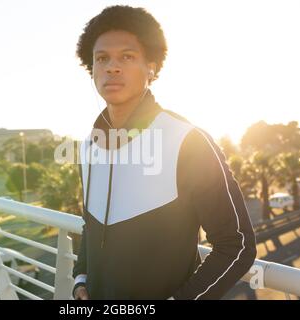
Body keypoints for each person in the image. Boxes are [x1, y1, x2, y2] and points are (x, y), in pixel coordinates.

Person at [72, 5, 257, 300]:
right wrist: (81, 278)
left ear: (152, 67)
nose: (112, 67)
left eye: (127, 57)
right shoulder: (89, 146)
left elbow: (236, 246)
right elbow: (90, 226)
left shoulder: (188, 140)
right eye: (102, 58)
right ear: (91, 69)